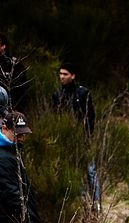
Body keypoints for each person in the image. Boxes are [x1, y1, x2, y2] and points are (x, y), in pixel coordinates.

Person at [50, 63, 97, 206]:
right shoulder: (57, 95)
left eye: (65, 74)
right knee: (70, 170)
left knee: (90, 170)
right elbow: (54, 117)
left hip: (82, 138)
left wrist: (86, 136)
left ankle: (96, 201)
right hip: (64, 140)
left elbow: (90, 116)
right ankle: (78, 199)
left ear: (73, 75)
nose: (62, 77)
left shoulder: (82, 93)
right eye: (60, 74)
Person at [0, 34, 25, 112]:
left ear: (3, 46)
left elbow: (21, 90)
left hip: (11, 108)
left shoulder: (14, 64)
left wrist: (16, 110)